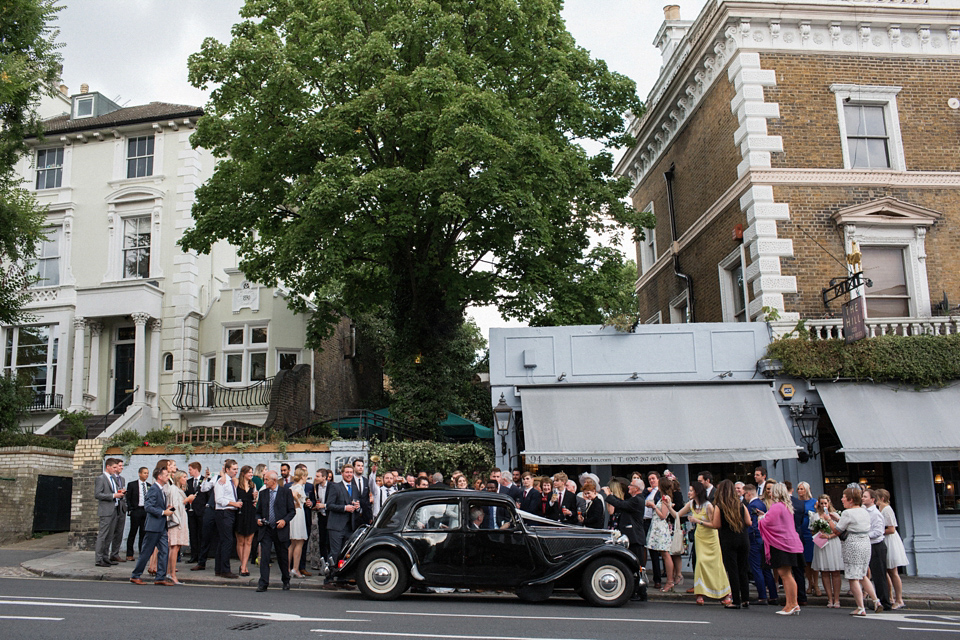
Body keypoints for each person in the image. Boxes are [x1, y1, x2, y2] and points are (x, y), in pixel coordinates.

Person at [827, 486, 880, 616]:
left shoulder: (847, 513)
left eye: (844, 497)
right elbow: (852, 524)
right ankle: (876, 600)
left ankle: (860, 607)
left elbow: (837, 531)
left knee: (853, 577)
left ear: (850, 500)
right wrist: (837, 519)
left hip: (853, 544)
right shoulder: (864, 511)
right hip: (865, 543)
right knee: (862, 574)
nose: (842, 499)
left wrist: (829, 520)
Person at [676, 481, 731, 605]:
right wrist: (668, 505)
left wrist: (698, 521)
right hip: (700, 537)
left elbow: (714, 525)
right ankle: (700, 593)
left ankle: (725, 592)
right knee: (700, 563)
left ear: (697, 492)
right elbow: (677, 515)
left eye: (691, 490)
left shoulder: (708, 506)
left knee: (716, 565)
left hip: (711, 538)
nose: (689, 493)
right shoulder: (691, 504)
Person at [758, 482, 805, 615]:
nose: (770, 493)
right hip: (791, 542)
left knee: (785, 575)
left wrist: (761, 517)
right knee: (788, 574)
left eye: (772, 491)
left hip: (781, 544)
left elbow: (767, 522)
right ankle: (791, 604)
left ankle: (792, 604)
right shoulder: (786, 506)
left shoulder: (776, 506)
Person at [708, 480, 751, 608]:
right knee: (743, 569)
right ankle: (746, 599)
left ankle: (736, 600)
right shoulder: (741, 505)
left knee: (732, 571)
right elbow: (749, 522)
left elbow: (716, 525)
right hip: (743, 539)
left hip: (728, 540)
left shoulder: (720, 506)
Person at [129, 465, 175, 586]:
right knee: (146, 552)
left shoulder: (160, 489)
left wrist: (166, 508)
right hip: (153, 527)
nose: (168, 477)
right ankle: (135, 575)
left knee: (164, 551)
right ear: (159, 477)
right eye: (166, 475)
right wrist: (163, 512)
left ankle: (160, 577)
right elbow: (148, 507)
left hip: (161, 526)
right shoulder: (154, 489)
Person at [256, 470, 296, 591]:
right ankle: (263, 583)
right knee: (265, 556)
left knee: (282, 556)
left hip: (280, 529)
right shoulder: (262, 493)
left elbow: (292, 511)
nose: (264, 482)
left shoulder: (286, 492)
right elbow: (258, 512)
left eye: (266, 479)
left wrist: (284, 520)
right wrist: (258, 519)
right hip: (266, 528)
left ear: (274, 480)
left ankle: (286, 580)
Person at [324, 463, 361, 588]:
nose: (349, 474)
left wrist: (357, 508)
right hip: (336, 525)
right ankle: (328, 579)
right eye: (347, 472)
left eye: (351, 472)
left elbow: (357, 506)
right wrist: (345, 508)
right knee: (335, 553)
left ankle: (342, 579)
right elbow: (329, 505)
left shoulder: (355, 488)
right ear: (342, 473)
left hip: (349, 526)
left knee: (346, 554)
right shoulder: (335, 487)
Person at [744, 484, 777, 605]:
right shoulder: (762, 504)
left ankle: (762, 596)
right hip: (764, 539)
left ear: (748, 494)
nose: (744, 497)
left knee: (756, 568)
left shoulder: (752, 506)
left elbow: (752, 525)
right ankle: (773, 595)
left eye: (744, 494)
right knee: (766, 569)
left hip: (755, 540)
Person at [875, 489, 906, 609]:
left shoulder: (887, 509)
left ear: (882, 498)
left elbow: (892, 529)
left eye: (877, 498)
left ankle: (899, 599)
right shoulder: (881, 509)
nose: (876, 500)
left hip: (890, 540)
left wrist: (878, 531)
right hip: (884, 539)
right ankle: (889, 597)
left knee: (893, 572)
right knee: (886, 571)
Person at [811, 494, 843, 608]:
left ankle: (837, 599)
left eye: (825, 503)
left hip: (833, 542)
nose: (824, 505)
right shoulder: (815, 516)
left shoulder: (835, 515)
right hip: (822, 544)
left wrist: (830, 535)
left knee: (835, 572)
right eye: (822, 503)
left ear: (829, 503)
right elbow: (812, 530)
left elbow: (839, 530)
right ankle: (829, 598)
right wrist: (819, 532)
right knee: (824, 572)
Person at [863, 488, 892, 611]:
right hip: (868, 545)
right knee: (871, 574)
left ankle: (885, 601)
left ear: (872, 499)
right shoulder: (863, 511)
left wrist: (864, 535)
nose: (863, 498)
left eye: (865, 496)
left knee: (879, 575)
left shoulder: (876, 513)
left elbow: (879, 532)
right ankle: (877, 600)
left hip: (877, 546)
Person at [646, 476, 676, 592]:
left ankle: (670, 581)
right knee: (664, 554)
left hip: (660, 528)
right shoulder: (663, 498)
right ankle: (670, 580)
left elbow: (663, 515)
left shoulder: (665, 498)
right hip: (657, 527)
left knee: (665, 554)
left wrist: (653, 506)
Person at [95, 458, 126, 567]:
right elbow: (97, 494)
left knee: (109, 536)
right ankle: (98, 559)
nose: (116, 469)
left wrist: (120, 492)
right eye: (114, 467)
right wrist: (113, 496)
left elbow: (114, 491)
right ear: (107, 467)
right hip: (106, 511)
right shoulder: (101, 478)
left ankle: (105, 557)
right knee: (103, 535)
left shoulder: (113, 478)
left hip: (115, 509)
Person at [214, 459, 242, 579]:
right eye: (234, 469)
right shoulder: (222, 481)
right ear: (227, 470)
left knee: (223, 540)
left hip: (229, 512)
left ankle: (219, 568)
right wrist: (233, 504)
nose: (236, 471)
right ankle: (225, 569)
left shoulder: (231, 481)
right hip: (224, 512)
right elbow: (219, 499)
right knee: (227, 540)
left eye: (237, 469)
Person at [166, 470, 193, 585]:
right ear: (178, 478)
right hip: (176, 522)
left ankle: (169, 572)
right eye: (183, 477)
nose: (185, 479)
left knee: (176, 548)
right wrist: (186, 500)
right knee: (174, 547)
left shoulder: (178, 490)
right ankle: (171, 574)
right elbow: (173, 506)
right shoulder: (173, 489)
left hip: (180, 520)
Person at [234, 465, 258, 577]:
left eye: (252, 472)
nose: (251, 475)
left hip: (251, 512)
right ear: (243, 473)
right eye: (249, 472)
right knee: (240, 541)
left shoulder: (253, 485)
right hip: (240, 512)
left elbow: (256, 501)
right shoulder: (236, 483)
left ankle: (244, 566)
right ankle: (242, 564)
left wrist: (256, 498)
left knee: (248, 541)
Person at [796, 481, 818, 597]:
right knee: (806, 561)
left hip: (811, 532)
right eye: (798, 489)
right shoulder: (796, 502)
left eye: (802, 489)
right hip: (801, 532)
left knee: (813, 559)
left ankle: (816, 584)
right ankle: (810, 583)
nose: (800, 491)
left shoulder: (814, 502)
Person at [643, 472, 663, 588]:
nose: (651, 481)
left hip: (653, 522)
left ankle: (657, 579)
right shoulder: (648, 492)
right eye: (649, 479)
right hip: (645, 521)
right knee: (644, 549)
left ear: (658, 479)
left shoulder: (660, 492)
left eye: (653, 478)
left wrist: (653, 505)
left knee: (654, 552)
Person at [125, 466, 150, 561]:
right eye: (144, 473)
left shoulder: (149, 485)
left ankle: (142, 553)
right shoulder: (132, 484)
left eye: (147, 473)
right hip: (136, 510)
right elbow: (128, 498)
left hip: (145, 511)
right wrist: (131, 509)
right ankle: (129, 553)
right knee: (133, 532)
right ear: (139, 474)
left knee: (143, 533)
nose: (146, 475)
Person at [288, 467, 309, 578]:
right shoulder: (299, 486)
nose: (306, 479)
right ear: (302, 476)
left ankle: (287, 568)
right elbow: (294, 495)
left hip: (293, 514)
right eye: (306, 476)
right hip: (298, 514)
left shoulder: (292, 486)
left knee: (292, 543)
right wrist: (298, 502)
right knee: (299, 543)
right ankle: (295, 568)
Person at [184, 462, 204, 564]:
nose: (189, 471)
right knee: (193, 533)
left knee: (201, 534)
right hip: (191, 512)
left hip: (201, 512)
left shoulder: (205, 480)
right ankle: (194, 555)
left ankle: (201, 556)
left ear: (196, 469)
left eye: (190, 469)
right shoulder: (188, 482)